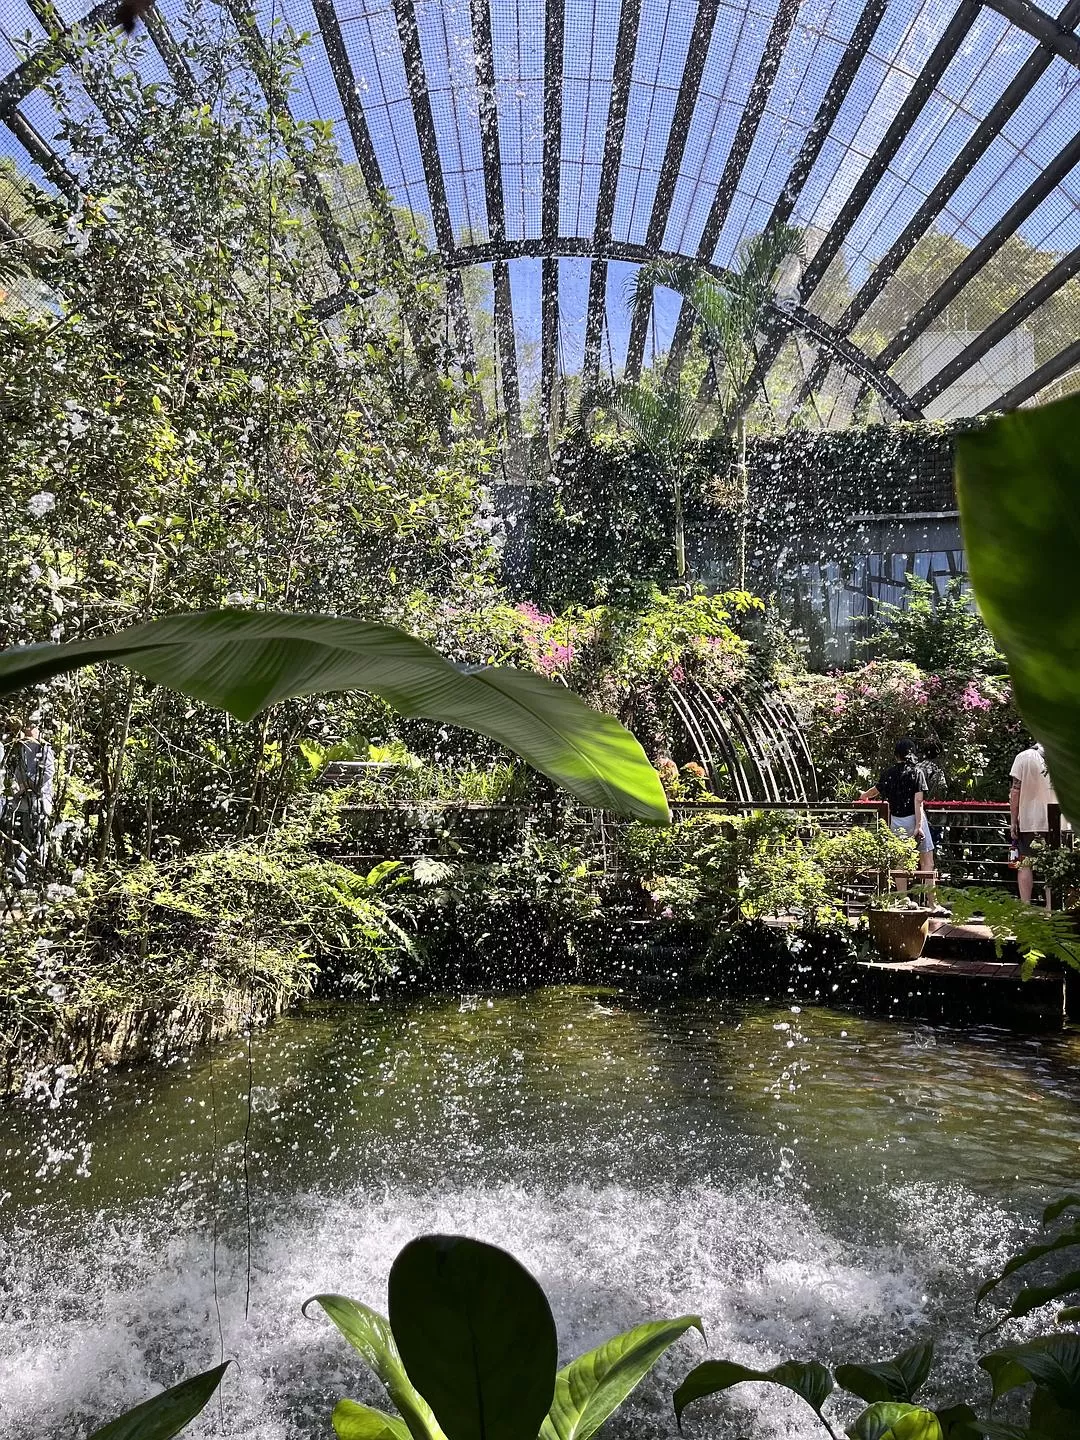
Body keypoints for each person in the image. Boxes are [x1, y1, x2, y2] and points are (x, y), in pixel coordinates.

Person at [859, 739, 935, 898]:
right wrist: (918, 826)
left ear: (896, 756)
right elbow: (918, 801)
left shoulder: (889, 773)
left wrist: (864, 796)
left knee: (900, 862)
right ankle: (931, 903)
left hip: (896, 821)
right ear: (912, 754)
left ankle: (903, 900)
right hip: (915, 819)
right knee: (927, 862)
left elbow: (876, 790)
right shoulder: (916, 773)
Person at [2, 717, 56, 888]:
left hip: (38, 802)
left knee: (37, 841)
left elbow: (48, 773)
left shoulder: (44, 747)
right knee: (20, 842)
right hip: (21, 804)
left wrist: (28, 784)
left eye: (31, 726)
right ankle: (21, 881)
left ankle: (36, 880)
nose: (27, 730)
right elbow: (14, 772)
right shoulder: (19, 747)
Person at [1009, 740, 1061, 904]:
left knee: (1025, 863)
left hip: (1029, 819)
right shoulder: (1060, 757)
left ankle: (1025, 907)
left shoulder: (1023, 757)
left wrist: (1013, 821)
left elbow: (1015, 792)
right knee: (1053, 865)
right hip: (1058, 821)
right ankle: (1051, 908)